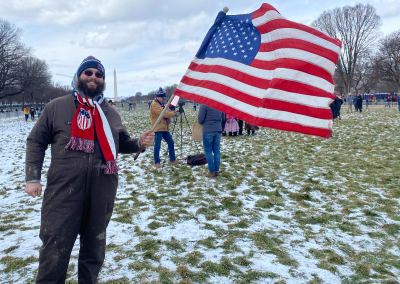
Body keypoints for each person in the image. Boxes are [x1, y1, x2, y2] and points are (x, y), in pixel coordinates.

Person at [24, 56, 154, 283]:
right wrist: (32, 177)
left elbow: (120, 143)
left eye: (98, 75)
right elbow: (36, 141)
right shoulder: (57, 106)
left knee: (94, 248)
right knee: (55, 246)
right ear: (79, 76)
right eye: (88, 73)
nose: (93, 78)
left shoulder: (110, 112)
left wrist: (139, 143)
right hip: (64, 190)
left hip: (102, 188)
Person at [150, 87, 182, 169]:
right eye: (163, 98)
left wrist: (176, 111)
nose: (164, 100)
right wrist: (174, 114)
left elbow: (168, 111)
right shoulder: (154, 104)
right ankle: (156, 162)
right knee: (157, 145)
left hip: (164, 128)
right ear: (159, 97)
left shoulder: (162, 104)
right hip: (158, 128)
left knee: (171, 142)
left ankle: (172, 159)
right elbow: (163, 113)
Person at [198, 104, 223, 178]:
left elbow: (200, 119)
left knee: (208, 150)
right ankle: (216, 170)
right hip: (218, 129)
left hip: (208, 129)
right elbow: (223, 118)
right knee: (216, 150)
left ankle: (211, 171)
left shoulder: (205, 104)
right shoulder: (219, 103)